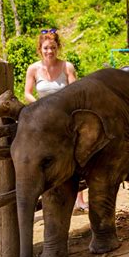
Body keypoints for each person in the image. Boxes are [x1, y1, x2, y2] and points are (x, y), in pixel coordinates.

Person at [24, 28, 88, 212]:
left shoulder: (67, 67)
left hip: (65, 117)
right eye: (45, 48)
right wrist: (39, 105)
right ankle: (45, 194)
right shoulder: (33, 69)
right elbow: (27, 93)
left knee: (73, 155)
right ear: (40, 49)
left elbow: (76, 91)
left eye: (52, 47)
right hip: (42, 118)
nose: (49, 51)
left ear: (57, 47)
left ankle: (79, 198)